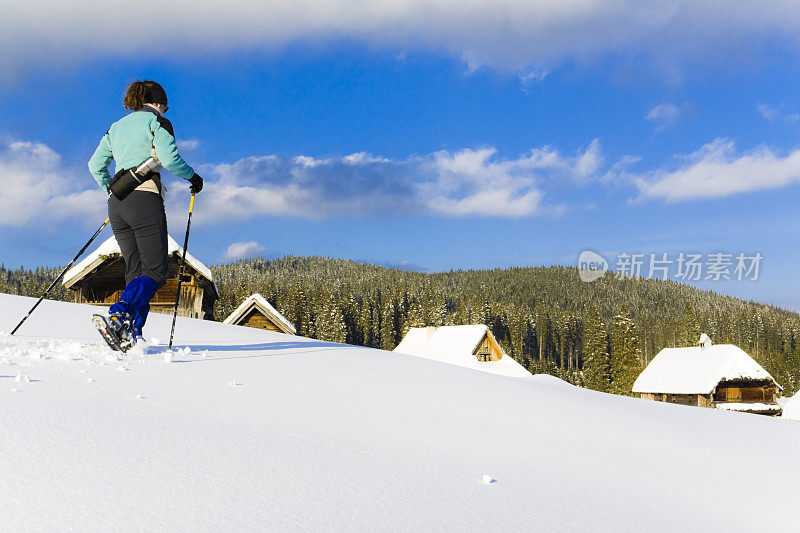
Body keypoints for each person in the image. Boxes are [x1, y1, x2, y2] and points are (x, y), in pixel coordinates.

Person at [88, 80, 203, 348]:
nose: (165, 110)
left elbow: (95, 165)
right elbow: (170, 159)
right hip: (144, 199)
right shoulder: (158, 123)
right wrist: (193, 177)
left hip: (116, 203)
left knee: (136, 272)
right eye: (166, 105)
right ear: (159, 103)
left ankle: (131, 333)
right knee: (155, 272)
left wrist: (112, 189)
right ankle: (120, 313)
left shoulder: (115, 127)